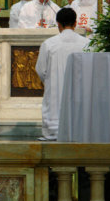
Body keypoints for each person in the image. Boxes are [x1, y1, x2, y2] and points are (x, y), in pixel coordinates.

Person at [35, 8, 89, 141]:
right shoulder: (86, 44)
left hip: (55, 90)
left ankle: (54, 132)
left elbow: (41, 70)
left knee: (55, 113)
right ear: (75, 23)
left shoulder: (49, 44)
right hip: (81, 89)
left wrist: (50, 82)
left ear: (58, 24)